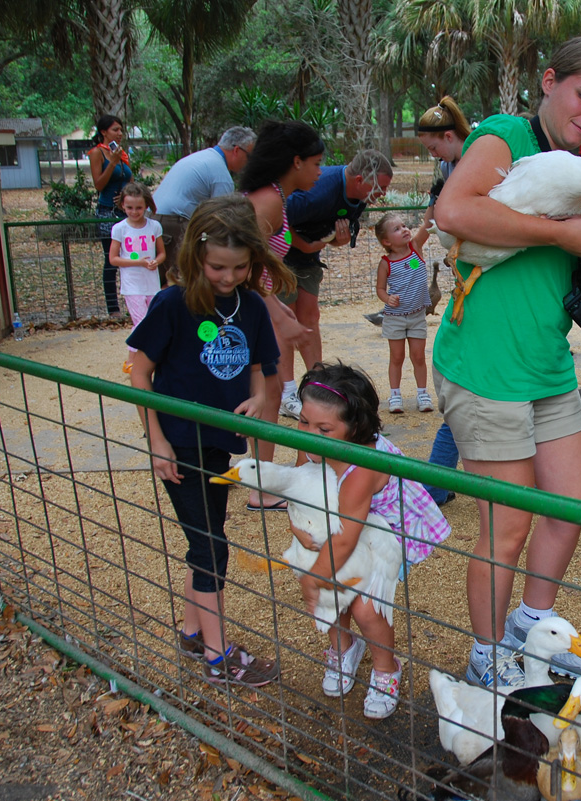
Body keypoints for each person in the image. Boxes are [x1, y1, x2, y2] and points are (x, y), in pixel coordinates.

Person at [432, 36, 581, 688]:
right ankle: (486, 658)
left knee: (572, 508)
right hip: (486, 365)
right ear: (550, 81)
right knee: (506, 525)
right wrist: (560, 232)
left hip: (546, 363)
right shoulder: (506, 136)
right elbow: (453, 210)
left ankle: (529, 626)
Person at [127, 195, 286, 687]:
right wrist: (156, 441)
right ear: (196, 257)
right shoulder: (173, 303)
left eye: (240, 266)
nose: (227, 276)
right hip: (179, 442)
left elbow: (260, 369)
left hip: (221, 440)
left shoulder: (252, 305)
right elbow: (139, 371)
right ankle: (219, 658)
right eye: (217, 266)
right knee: (210, 545)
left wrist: (259, 399)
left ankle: (193, 630)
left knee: (207, 533)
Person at [288, 362, 450, 720]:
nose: (308, 434)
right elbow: (302, 485)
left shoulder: (363, 467)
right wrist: (299, 525)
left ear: (355, 428)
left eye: (323, 428)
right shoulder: (312, 441)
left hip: (386, 533)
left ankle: (386, 667)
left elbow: (346, 537)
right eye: (303, 421)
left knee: (364, 605)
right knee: (334, 591)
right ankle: (343, 647)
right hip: (346, 524)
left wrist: (314, 575)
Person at [238, 120, 323, 511]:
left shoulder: (274, 197)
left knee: (268, 393)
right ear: (296, 161)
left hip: (260, 304)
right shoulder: (268, 201)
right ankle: (260, 485)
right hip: (250, 308)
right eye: (316, 162)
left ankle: (259, 477)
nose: (321, 171)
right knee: (266, 394)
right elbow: (244, 262)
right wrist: (274, 308)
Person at [281, 150, 394, 418]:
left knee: (310, 316)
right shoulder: (315, 193)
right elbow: (276, 222)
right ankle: (286, 394)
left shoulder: (360, 196)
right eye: (381, 187)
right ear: (358, 179)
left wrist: (333, 242)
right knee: (284, 319)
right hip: (279, 255)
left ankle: (317, 384)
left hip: (309, 258)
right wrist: (305, 244)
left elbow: (333, 232)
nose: (384, 194)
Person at [415, 97, 472, 506]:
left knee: (461, 405)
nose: (432, 155)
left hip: (474, 289)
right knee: (460, 405)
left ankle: (438, 483)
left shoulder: (472, 165)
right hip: (464, 289)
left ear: (450, 136)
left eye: (434, 147)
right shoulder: (451, 168)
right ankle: (437, 483)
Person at [153, 126, 256, 285]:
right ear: (237, 150)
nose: (249, 162)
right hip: (173, 225)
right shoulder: (221, 174)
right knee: (177, 282)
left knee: (157, 282)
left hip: (154, 219)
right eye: (249, 156)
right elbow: (222, 220)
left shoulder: (202, 157)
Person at [373, 212, 434, 414]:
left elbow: (426, 226)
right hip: (395, 318)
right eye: (397, 229)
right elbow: (380, 288)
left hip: (417, 316)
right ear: (387, 241)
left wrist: (434, 201)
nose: (405, 229)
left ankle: (423, 393)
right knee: (396, 357)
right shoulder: (386, 263)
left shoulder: (415, 249)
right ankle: (395, 395)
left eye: (405, 225)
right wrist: (387, 298)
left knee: (418, 356)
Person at [108, 181, 164, 374]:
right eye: (130, 207)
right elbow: (114, 258)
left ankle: (148, 358)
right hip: (132, 285)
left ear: (146, 206)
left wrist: (156, 261)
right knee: (142, 323)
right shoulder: (119, 229)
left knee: (153, 321)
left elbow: (162, 253)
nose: (134, 211)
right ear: (123, 205)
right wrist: (138, 263)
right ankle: (132, 360)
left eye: (138, 207)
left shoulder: (154, 226)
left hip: (151, 283)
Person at [88, 114, 133, 316]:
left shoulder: (121, 154)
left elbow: (130, 180)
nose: (120, 133)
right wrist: (113, 163)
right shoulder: (98, 153)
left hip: (125, 212)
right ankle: (113, 309)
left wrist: (126, 198)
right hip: (107, 213)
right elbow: (99, 184)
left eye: (121, 130)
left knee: (130, 256)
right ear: (104, 132)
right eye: (115, 130)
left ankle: (134, 303)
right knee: (111, 260)